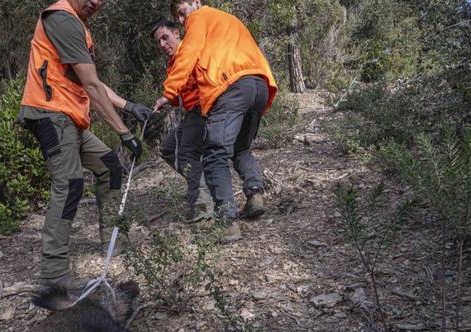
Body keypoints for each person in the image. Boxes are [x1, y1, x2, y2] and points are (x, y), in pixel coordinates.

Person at [19, 0, 152, 289]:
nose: (95, 2)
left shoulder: (78, 24)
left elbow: (91, 82)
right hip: (50, 114)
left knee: (110, 166)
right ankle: (54, 276)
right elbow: (91, 86)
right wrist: (124, 132)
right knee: (69, 183)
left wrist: (129, 105)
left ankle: (112, 241)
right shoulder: (62, 19)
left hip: (70, 118)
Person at [155, 0, 277, 242]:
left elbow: (188, 55)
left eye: (182, 13)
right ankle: (255, 195)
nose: (182, 19)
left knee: (214, 154)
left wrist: (168, 93)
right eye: (179, 16)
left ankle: (226, 222)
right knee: (240, 148)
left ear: (196, 3)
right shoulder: (226, 20)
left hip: (232, 87)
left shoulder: (200, 18)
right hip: (259, 85)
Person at [152, 19, 213, 223]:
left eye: (165, 38)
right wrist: (168, 101)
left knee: (187, 154)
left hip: (203, 109)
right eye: (158, 42)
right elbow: (180, 96)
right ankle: (201, 185)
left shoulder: (190, 51)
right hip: (190, 112)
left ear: (177, 33)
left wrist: (168, 97)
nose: (162, 45)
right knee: (168, 148)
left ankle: (203, 204)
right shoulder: (173, 64)